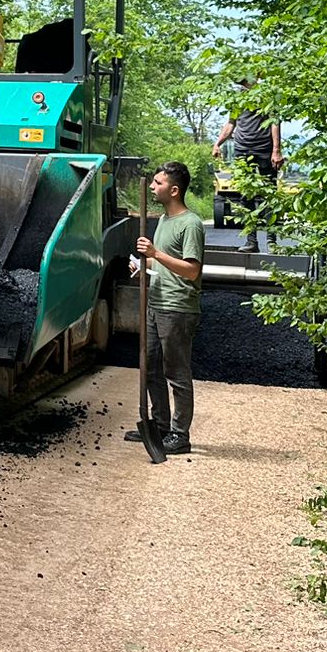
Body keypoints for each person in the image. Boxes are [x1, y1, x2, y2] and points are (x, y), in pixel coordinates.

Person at [132, 160, 203, 455]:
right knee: (150, 370)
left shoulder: (191, 224)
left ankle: (179, 434)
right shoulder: (162, 220)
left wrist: (155, 253)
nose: (151, 186)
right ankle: (159, 425)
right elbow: (162, 264)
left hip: (177, 308)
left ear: (174, 190)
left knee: (176, 373)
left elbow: (191, 271)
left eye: (157, 183)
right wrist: (142, 265)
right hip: (156, 302)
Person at [214, 83, 282, 252]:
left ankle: (272, 241)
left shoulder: (265, 96)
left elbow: (275, 122)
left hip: (264, 149)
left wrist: (276, 150)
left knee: (269, 194)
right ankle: (251, 242)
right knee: (245, 195)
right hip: (242, 150)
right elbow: (231, 123)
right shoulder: (237, 98)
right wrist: (218, 143)